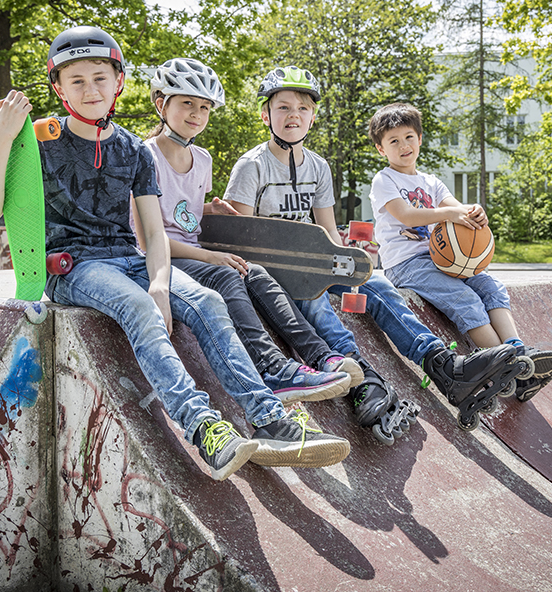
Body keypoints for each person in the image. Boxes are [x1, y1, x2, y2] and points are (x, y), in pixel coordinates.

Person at [0, 27, 348, 481]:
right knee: (138, 307)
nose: (91, 89)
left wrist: (161, 284)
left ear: (119, 83)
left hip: (127, 256)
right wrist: (4, 136)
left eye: (100, 78)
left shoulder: (132, 149)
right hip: (72, 265)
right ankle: (204, 426)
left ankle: (269, 416)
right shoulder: (39, 141)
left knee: (208, 301)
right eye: (77, 81)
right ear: (58, 87)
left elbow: (152, 232)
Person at [223, 66, 525, 441]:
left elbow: (328, 232)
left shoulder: (318, 167)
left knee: (377, 285)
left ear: (313, 117)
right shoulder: (252, 165)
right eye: (283, 108)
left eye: (302, 109)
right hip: (274, 271)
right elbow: (242, 240)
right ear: (266, 115)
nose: (293, 116)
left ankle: (444, 366)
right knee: (315, 304)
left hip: (316, 261)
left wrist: (352, 267)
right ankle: (363, 380)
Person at [136, 56, 362, 406]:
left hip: (192, 254)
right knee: (229, 276)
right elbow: (149, 236)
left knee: (256, 274)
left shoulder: (204, 159)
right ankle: (271, 368)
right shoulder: (144, 155)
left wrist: (212, 211)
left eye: (204, 107)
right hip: (160, 260)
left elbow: (181, 214)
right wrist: (210, 255)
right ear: (160, 104)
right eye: (186, 104)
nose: (196, 113)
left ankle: (320, 356)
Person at [367, 102, 552, 402]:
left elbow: (456, 208)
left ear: (420, 139)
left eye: (409, 137)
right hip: (407, 264)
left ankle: (519, 355)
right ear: (382, 150)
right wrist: (449, 215)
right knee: (466, 299)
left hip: (440, 260)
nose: (403, 146)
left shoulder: (431, 181)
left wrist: (474, 212)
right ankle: (505, 366)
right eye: (393, 141)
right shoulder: (384, 180)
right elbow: (406, 215)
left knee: (489, 285)